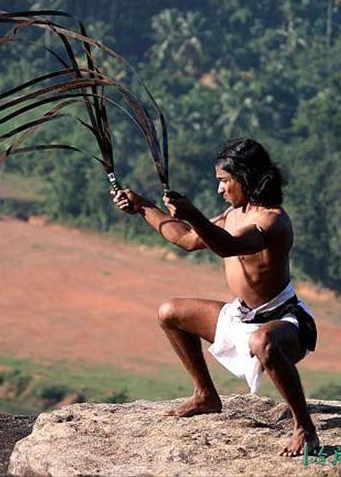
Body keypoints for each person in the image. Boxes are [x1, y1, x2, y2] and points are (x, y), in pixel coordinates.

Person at [112, 137, 319, 457]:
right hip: (242, 318)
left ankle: (304, 427)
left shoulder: (273, 220)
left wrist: (192, 213)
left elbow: (228, 245)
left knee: (263, 341)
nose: (219, 189)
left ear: (245, 178)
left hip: (284, 323)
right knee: (169, 312)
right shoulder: (232, 214)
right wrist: (142, 206)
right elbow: (185, 238)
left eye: (224, 181)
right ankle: (205, 395)